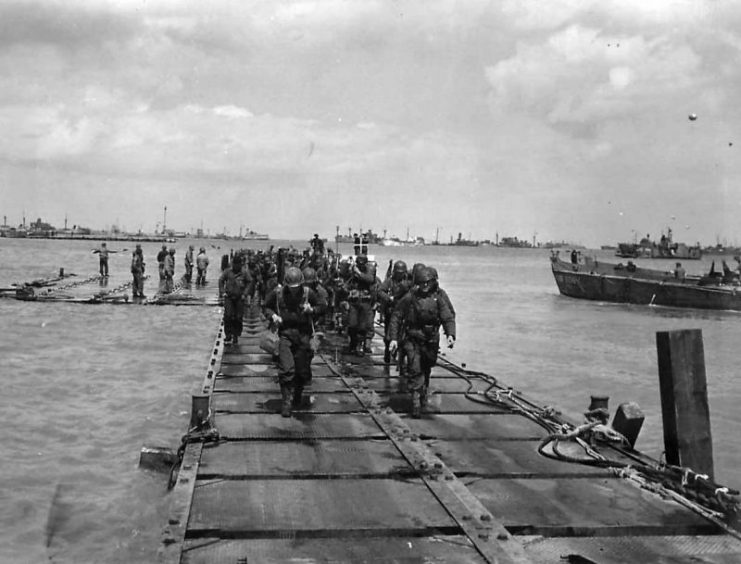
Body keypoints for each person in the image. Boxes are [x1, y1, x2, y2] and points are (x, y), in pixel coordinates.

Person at [389, 266, 456, 418]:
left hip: (431, 339)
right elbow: (396, 316)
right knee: (415, 368)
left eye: (428, 283)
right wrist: (393, 338)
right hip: (413, 338)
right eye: (422, 283)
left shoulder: (438, 298)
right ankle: (416, 403)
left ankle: (423, 392)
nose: (425, 286)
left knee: (427, 366)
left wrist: (450, 334)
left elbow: (447, 317)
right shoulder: (410, 297)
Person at [263, 266, 321, 417]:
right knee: (286, 369)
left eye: (297, 288)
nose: (294, 291)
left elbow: (323, 306)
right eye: (291, 288)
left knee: (302, 371)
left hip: (303, 335)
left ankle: (298, 395)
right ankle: (286, 402)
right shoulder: (277, 293)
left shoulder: (309, 293)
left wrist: (312, 310)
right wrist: (273, 316)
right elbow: (266, 307)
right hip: (286, 334)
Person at [378, 260, 412, 364]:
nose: (400, 275)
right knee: (389, 335)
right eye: (398, 272)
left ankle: (401, 357)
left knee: (405, 336)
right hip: (392, 311)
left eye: (402, 273)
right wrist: (389, 299)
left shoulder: (408, 282)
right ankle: (388, 352)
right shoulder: (390, 281)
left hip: (404, 313)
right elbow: (380, 291)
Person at [344, 254, 377, 356]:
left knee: (363, 326)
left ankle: (359, 346)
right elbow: (347, 284)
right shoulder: (353, 273)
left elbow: (370, 279)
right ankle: (352, 344)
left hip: (365, 302)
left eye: (362, 264)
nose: (360, 266)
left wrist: (359, 273)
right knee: (352, 324)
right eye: (358, 264)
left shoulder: (369, 270)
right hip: (354, 302)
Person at [219, 254, 251, 345]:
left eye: (238, 264)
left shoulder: (244, 272)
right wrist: (222, 292)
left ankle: (236, 335)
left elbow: (249, 282)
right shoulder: (228, 271)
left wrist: (245, 293)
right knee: (228, 316)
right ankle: (228, 335)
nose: (236, 266)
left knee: (238, 317)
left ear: (240, 264)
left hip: (240, 298)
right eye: (234, 264)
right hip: (229, 297)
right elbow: (221, 280)